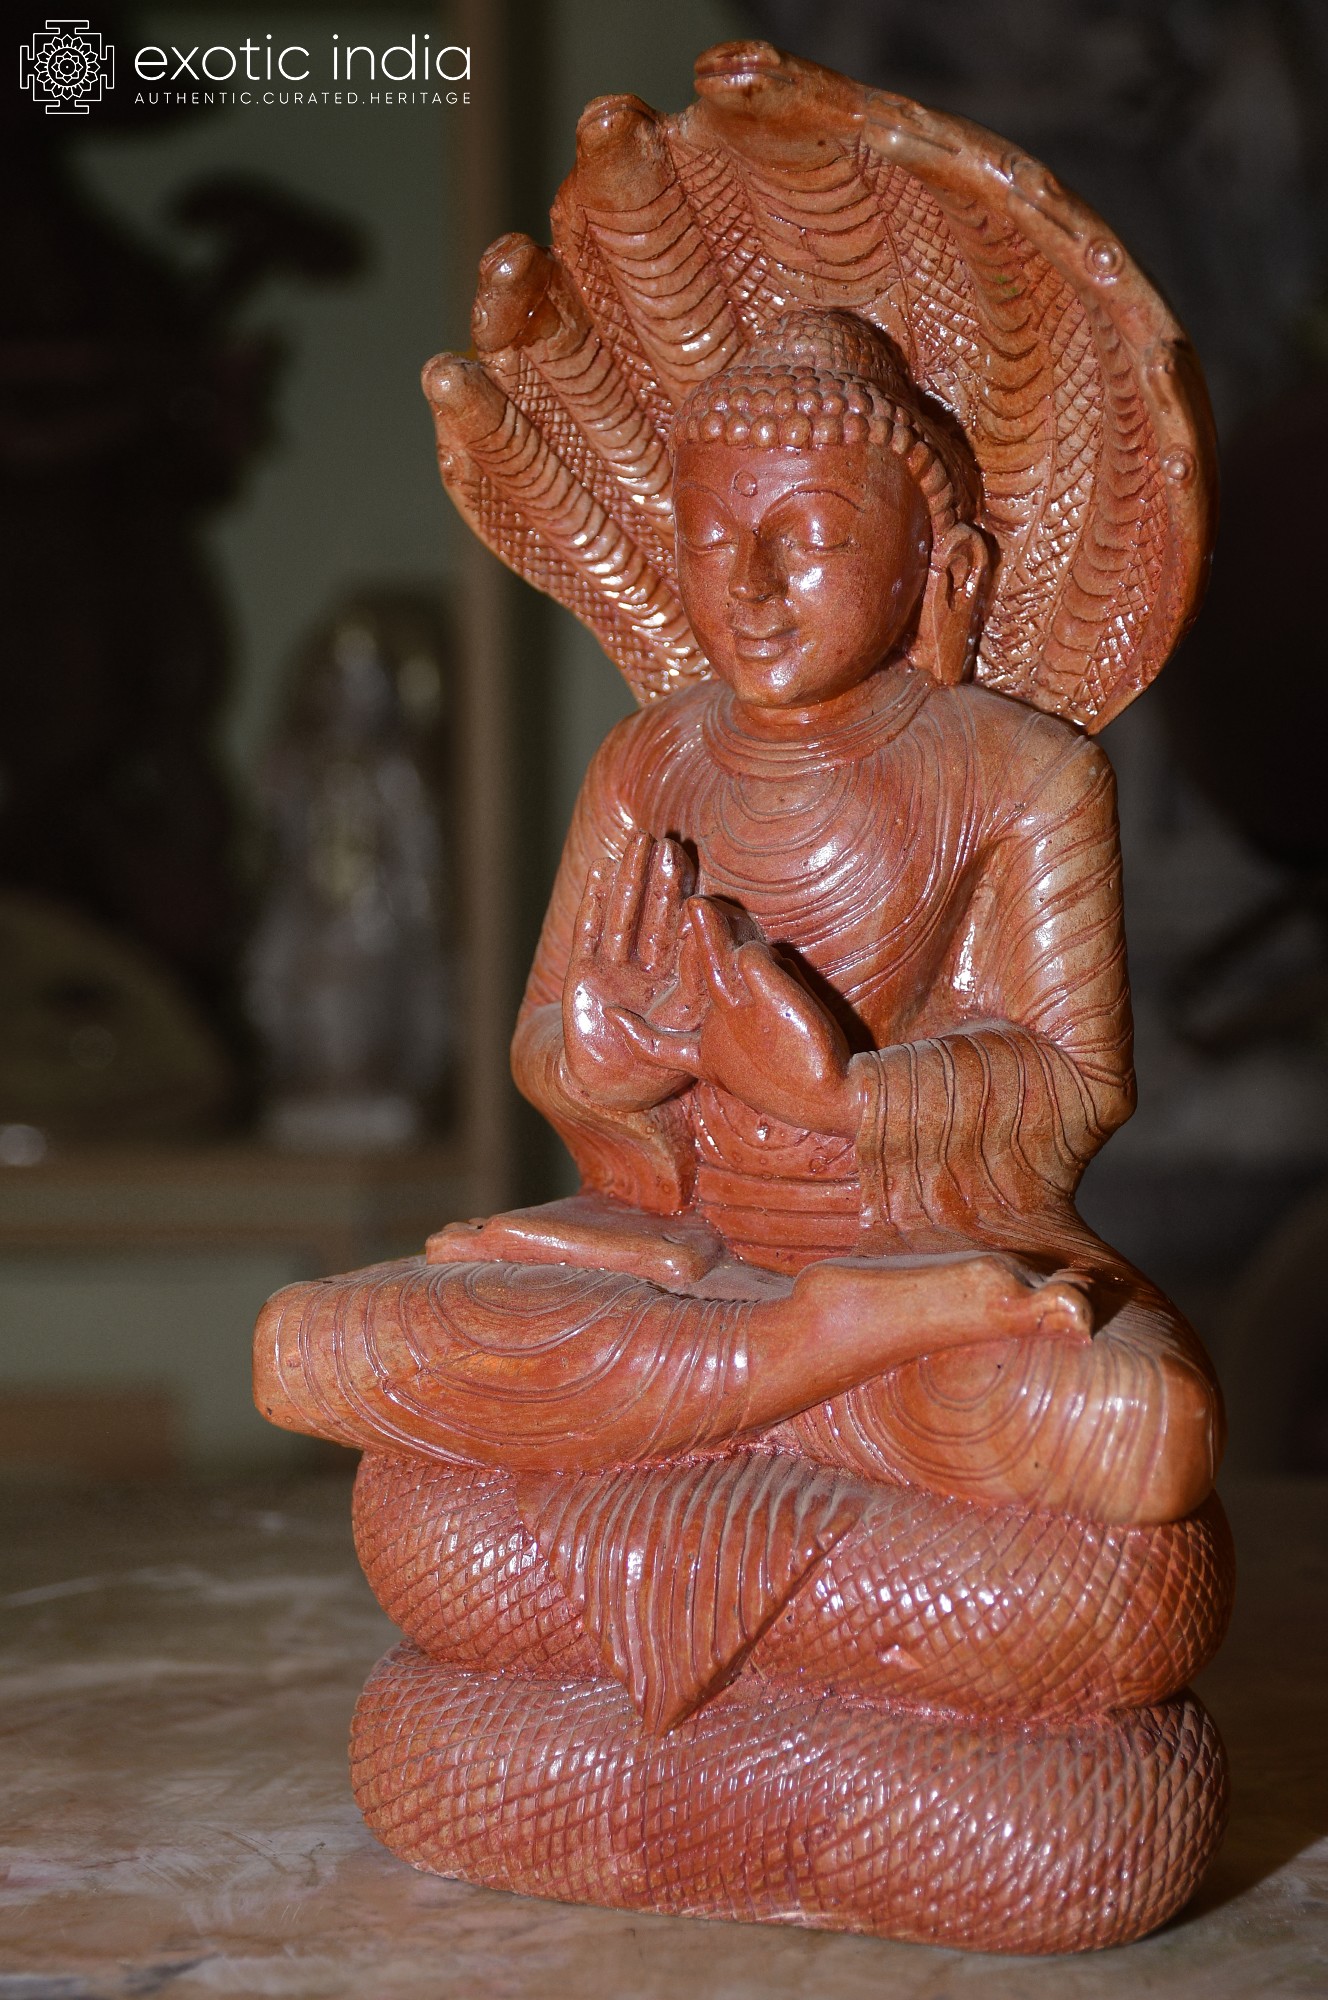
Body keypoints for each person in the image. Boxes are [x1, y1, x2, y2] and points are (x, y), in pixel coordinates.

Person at [256, 312, 1220, 1527]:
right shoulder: (645, 760)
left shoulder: (1022, 771)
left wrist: (840, 1098)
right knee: (311, 1343)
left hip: (924, 1250)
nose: (750, 585)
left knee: (1143, 1427)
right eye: (711, 539)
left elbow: (1076, 1081)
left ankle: (792, 1363)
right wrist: (608, 1065)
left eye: (809, 537)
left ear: (942, 567)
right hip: (676, 1256)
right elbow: (547, 1037)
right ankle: (808, 1348)